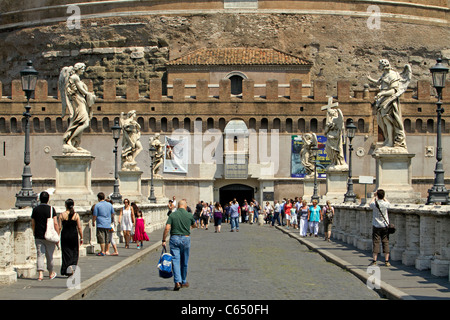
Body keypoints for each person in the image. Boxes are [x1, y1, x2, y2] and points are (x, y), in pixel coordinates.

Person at [162, 199, 196, 291]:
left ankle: (177, 281)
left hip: (174, 239)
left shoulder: (173, 215)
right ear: (185, 207)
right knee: (184, 261)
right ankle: (184, 281)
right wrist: (190, 226)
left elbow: (167, 228)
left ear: (177, 206)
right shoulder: (189, 215)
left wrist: (164, 239)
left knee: (175, 261)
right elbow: (194, 225)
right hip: (185, 238)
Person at [31, 191, 60, 281]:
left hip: (39, 235)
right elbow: (55, 223)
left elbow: (33, 223)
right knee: (49, 255)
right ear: (48, 199)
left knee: (40, 254)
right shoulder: (51, 209)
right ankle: (51, 273)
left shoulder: (35, 209)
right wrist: (57, 234)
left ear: (40, 199)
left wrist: (34, 232)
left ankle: (40, 274)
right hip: (50, 235)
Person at [59, 198, 83, 277]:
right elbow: (79, 227)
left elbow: (59, 227)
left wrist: (57, 237)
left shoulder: (62, 215)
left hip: (65, 235)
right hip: (73, 235)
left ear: (65, 205)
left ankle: (66, 267)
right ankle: (72, 266)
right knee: (74, 252)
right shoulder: (76, 215)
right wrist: (81, 237)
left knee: (66, 252)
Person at [369, 189, 391, 267]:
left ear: (377, 195)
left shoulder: (375, 204)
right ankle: (386, 261)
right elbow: (389, 203)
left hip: (376, 225)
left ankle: (374, 260)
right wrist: (383, 197)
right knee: (385, 242)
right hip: (384, 225)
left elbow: (370, 203)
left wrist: (374, 196)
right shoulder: (385, 204)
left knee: (376, 242)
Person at [92, 192, 115, 256]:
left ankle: (102, 251)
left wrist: (93, 222)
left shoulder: (97, 205)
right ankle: (106, 250)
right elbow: (112, 213)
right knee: (107, 238)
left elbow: (95, 215)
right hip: (108, 223)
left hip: (100, 223)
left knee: (101, 238)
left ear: (98, 198)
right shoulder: (109, 205)